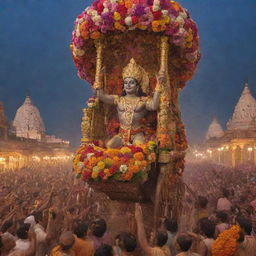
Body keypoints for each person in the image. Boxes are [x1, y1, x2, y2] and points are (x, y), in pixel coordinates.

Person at [96, 58, 165, 148]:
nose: (128, 85)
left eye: (131, 83)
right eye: (126, 83)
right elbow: (102, 96)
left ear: (137, 86)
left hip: (137, 134)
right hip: (121, 134)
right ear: (123, 86)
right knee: (109, 146)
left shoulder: (142, 100)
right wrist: (99, 79)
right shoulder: (119, 99)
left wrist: (159, 85)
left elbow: (154, 105)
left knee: (140, 149)